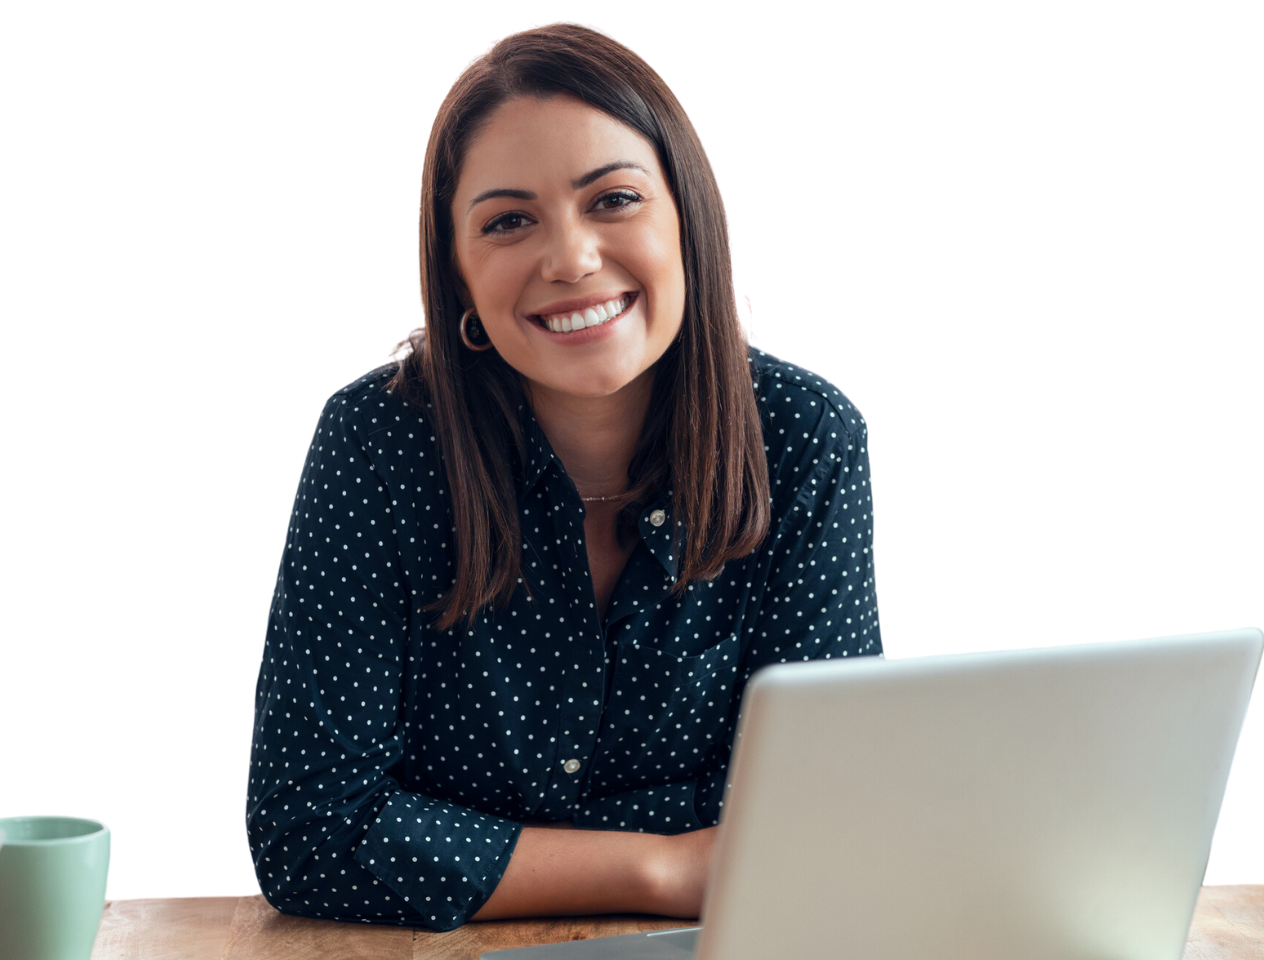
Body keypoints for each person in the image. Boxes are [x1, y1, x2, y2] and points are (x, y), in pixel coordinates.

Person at [246, 22, 881, 932]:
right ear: (459, 274)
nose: (571, 259)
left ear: (686, 220)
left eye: (613, 199)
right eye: (509, 221)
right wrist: (667, 868)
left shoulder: (803, 439)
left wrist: (460, 845)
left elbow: (822, 822)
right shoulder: (378, 441)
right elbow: (310, 833)